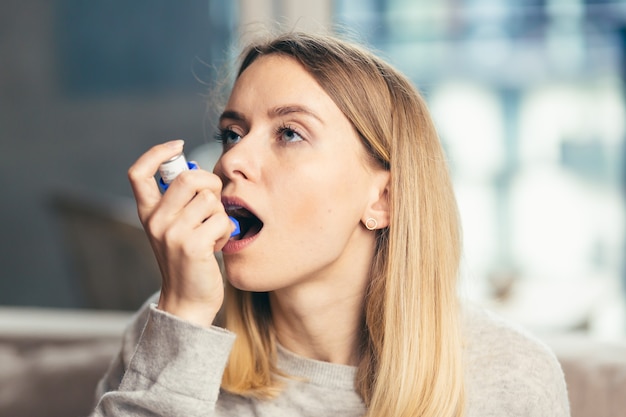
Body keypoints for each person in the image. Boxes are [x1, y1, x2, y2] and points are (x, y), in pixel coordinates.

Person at [91, 31, 570, 417]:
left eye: (289, 133)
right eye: (232, 134)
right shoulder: (173, 326)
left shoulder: (507, 378)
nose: (233, 159)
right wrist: (183, 318)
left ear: (383, 198)